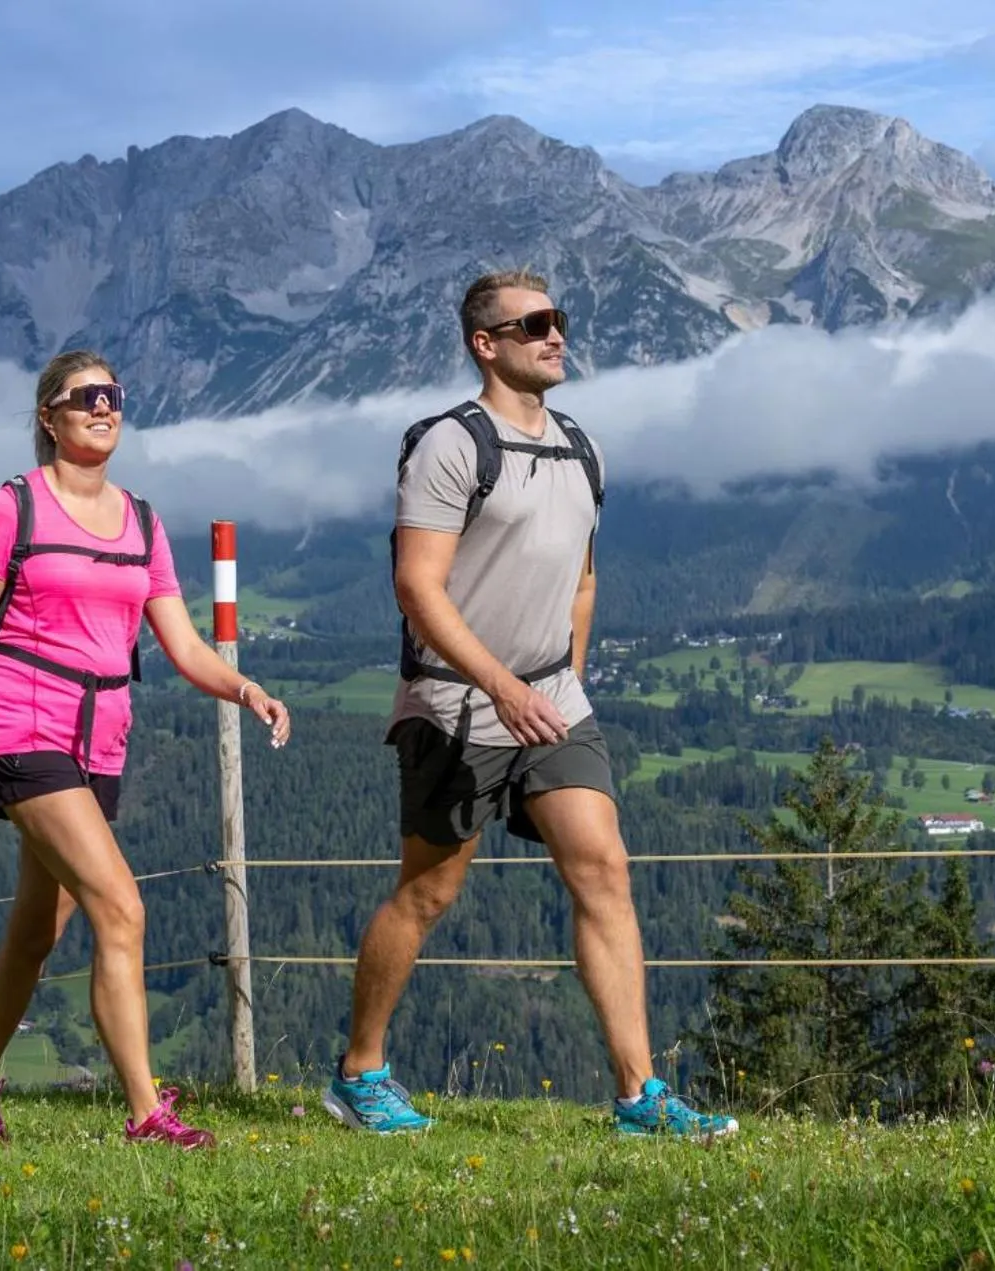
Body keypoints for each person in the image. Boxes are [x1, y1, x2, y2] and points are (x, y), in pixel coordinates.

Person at [322, 270, 736, 1140]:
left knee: (604, 868)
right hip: (453, 704)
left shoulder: (582, 447)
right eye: (534, 324)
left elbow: (582, 579)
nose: (556, 336)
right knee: (427, 893)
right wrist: (500, 687)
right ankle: (360, 1072)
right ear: (486, 344)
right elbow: (418, 588)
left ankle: (640, 1095)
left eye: (560, 320)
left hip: (551, 699)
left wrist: (561, 686)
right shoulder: (450, 445)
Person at [0, 350, 290, 1150]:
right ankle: (147, 1113)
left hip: (101, 743)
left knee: (34, 932)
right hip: (21, 726)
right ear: (48, 417)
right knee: (121, 906)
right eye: (85, 396)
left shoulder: (143, 521)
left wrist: (245, 688)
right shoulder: (13, 508)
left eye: (113, 394)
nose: (104, 407)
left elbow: (183, 645)